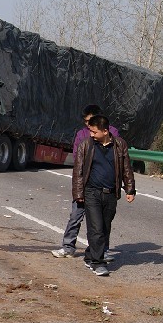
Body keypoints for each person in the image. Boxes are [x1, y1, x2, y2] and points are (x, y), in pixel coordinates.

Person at [52, 104, 120, 259]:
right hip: (85, 184)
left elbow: (117, 157)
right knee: (76, 216)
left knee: (102, 222)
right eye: (86, 122)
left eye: (90, 121)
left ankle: (102, 251)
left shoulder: (113, 133)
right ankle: (68, 247)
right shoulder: (81, 134)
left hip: (103, 186)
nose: (88, 126)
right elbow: (78, 160)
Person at [71, 115, 135, 276]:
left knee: (104, 228)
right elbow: (78, 171)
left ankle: (89, 255)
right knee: (96, 228)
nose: (91, 134)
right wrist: (78, 193)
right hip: (91, 192)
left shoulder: (119, 145)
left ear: (105, 131)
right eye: (90, 131)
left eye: (94, 132)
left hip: (111, 194)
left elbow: (126, 168)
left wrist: (130, 189)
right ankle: (97, 263)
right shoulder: (86, 145)